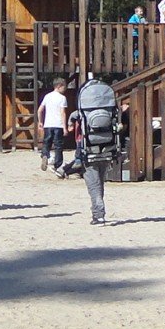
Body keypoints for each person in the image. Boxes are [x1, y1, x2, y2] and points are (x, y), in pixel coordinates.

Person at [75, 73, 121, 225]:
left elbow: (75, 121)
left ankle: (98, 214)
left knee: (93, 185)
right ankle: (99, 211)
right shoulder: (109, 109)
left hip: (89, 150)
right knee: (100, 182)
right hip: (108, 146)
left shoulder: (82, 113)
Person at [38, 77, 70, 173]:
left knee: (46, 142)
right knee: (58, 146)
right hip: (58, 125)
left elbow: (39, 110)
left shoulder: (47, 96)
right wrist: (65, 127)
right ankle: (57, 165)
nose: (65, 89)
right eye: (64, 87)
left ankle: (45, 155)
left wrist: (40, 122)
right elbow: (63, 113)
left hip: (48, 124)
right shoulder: (62, 98)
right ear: (59, 86)